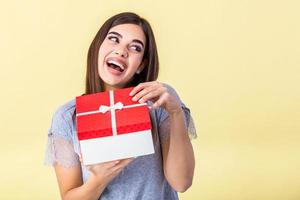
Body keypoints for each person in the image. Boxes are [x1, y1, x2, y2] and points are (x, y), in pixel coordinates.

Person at [44, 12, 197, 200]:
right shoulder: (67, 117)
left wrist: (175, 112)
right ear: (98, 48)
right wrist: (100, 178)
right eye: (114, 39)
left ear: (141, 65)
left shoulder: (159, 106)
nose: (122, 50)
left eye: (135, 47)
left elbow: (181, 182)